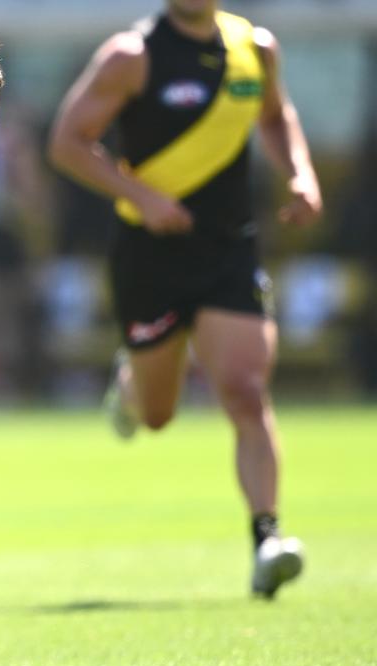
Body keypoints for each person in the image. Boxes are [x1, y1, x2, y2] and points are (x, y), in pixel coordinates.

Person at [47, 0, 321, 599]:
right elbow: (67, 142)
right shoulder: (131, 56)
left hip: (228, 251)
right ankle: (131, 384)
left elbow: (277, 116)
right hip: (150, 256)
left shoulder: (256, 49)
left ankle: (267, 539)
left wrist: (299, 173)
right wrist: (141, 196)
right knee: (157, 414)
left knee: (246, 391)